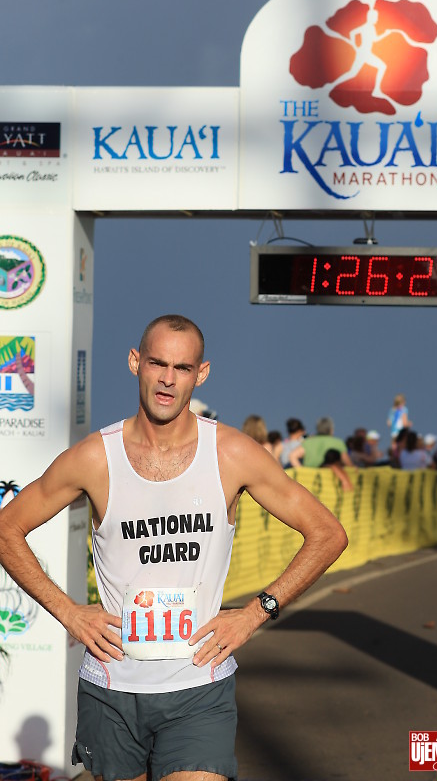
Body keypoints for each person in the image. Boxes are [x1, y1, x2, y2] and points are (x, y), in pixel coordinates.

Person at [0, 314, 348, 781]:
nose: (167, 379)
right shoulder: (94, 458)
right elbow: (7, 529)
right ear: (134, 363)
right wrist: (68, 612)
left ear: (200, 374)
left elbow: (327, 534)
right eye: (157, 363)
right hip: (111, 688)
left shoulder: (230, 453)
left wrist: (255, 612)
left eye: (182, 368)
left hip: (198, 688)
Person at [289, 416, 353, 469]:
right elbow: (348, 463)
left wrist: (302, 473)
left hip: (309, 481)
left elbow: (292, 456)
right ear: (331, 430)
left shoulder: (308, 442)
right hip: (331, 480)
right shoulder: (338, 443)